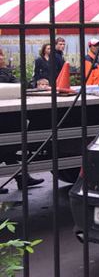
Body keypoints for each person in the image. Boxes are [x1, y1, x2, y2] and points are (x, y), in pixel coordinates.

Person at [0, 50, 43, 192]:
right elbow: (8, 86)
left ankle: (23, 179)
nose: (2, 57)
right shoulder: (4, 73)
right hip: (4, 119)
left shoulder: (6, 72)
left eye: (2, 55)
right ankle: (23, 179)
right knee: (6, 150)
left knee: (7, 151)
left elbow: (20, 85)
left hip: (9, 118)